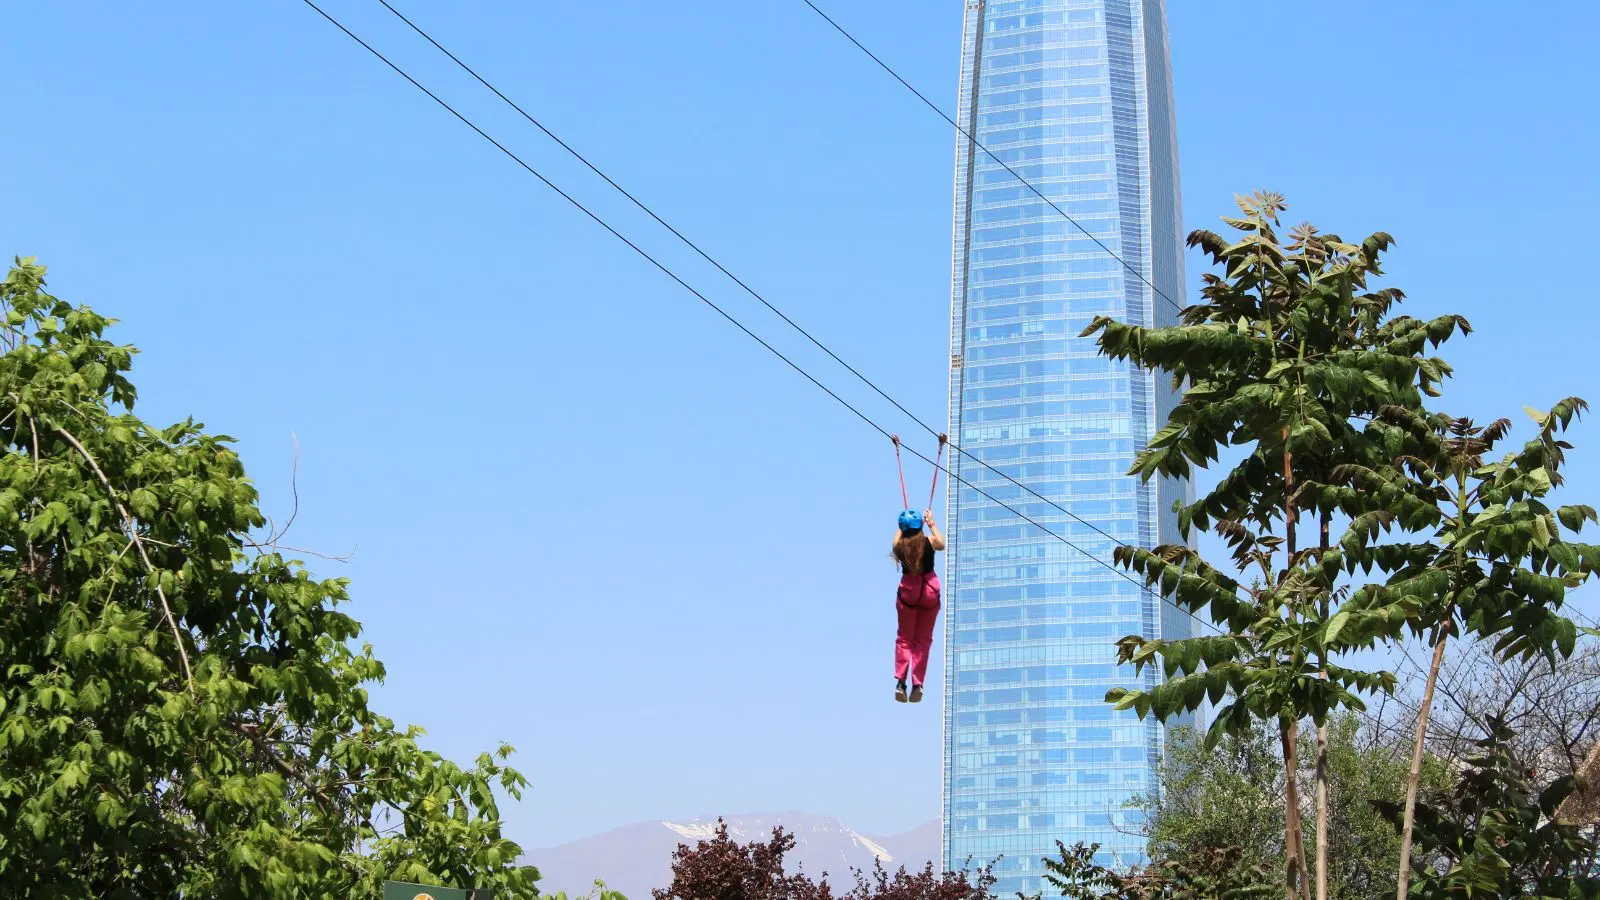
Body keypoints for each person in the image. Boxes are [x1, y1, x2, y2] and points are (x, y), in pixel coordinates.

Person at [891, 507, 945, 703]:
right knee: (923, 640)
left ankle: (901, 682)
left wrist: (901, 526)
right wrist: (931, 522)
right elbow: (941, 544)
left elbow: (896, 539)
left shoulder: (900, 546)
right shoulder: (928, 542)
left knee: (905, 639)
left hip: (909, 593)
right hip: (929, 591)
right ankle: (918, 684)